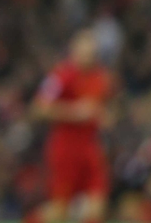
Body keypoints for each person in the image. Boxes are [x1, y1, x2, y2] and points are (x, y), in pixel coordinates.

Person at [31, 29, 114, 223]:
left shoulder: (100, 77)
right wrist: (74, 112)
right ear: (73, 51)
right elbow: (38, 108)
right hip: (65, 149)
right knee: (60, 212)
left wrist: (105, 116)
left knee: (97, 208)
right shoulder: (61, 76)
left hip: (90, 148)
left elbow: (102, 108)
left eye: (91, 52)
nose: (87, 56)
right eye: (83, 52)